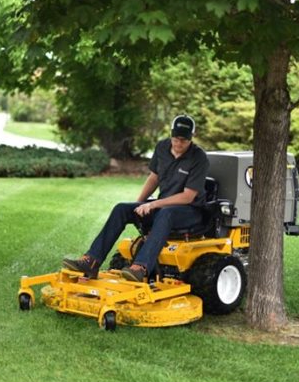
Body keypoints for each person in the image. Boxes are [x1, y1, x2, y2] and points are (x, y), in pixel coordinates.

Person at [63, 115, 210, 282]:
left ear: (191, 137)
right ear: (171, 134)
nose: (178, 143)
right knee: (121, 209)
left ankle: (140, 268)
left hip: (191, 212)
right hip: (164, 208)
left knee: (165, 214)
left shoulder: (199, 158)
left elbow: (188, 196)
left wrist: (153, 204)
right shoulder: (162, 147)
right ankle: (91, 261)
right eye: (176, 138)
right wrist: (138, 205)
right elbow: (154, 178)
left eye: (184, 140)